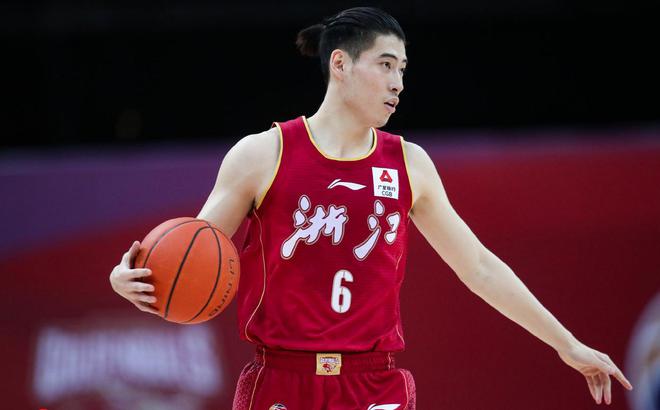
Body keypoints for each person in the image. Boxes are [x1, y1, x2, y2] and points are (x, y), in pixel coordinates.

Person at [109, 7, 633, 409]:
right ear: (340, 64)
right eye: (385, 65)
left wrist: (566, 343)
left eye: (402, 69)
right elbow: (194, 252)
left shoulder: (410, 163)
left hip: (374, 384)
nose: (398, 82)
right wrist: (129, 277)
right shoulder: (262, 154)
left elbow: (478, 266)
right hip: (280, 380)